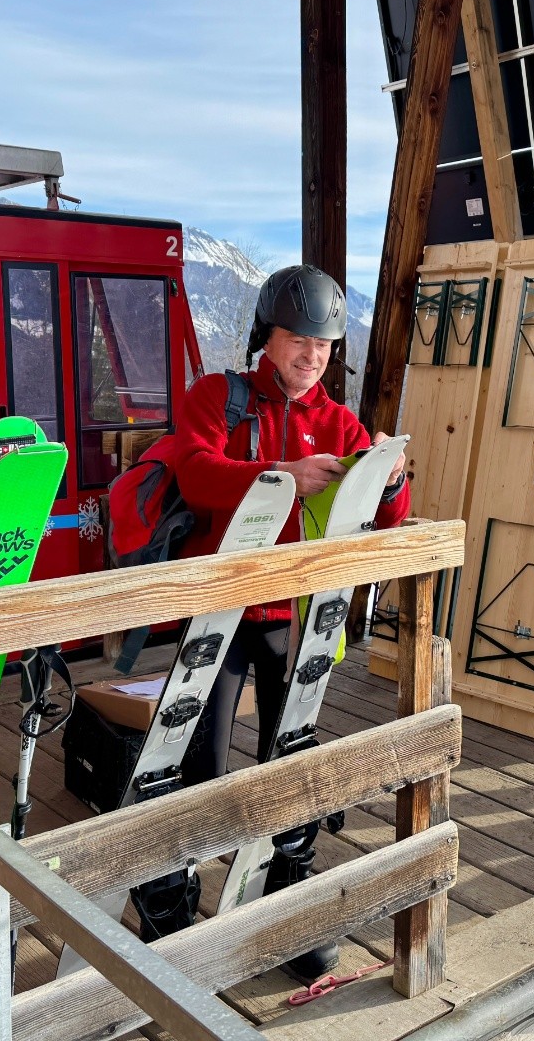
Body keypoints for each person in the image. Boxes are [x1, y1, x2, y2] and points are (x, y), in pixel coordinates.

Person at [153, 264, 410, 977]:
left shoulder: (339, 421)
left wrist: (390, 478)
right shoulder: (217, 397)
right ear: (268, 337)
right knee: (197, 760)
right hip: (217, 608)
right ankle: (172, 902)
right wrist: (279, 476)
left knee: (290, 757)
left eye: (323, 343)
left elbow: (383, 518)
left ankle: (286, 898)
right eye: (297, 338)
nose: (311, 354)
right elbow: (193, 473)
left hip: (294, 617)